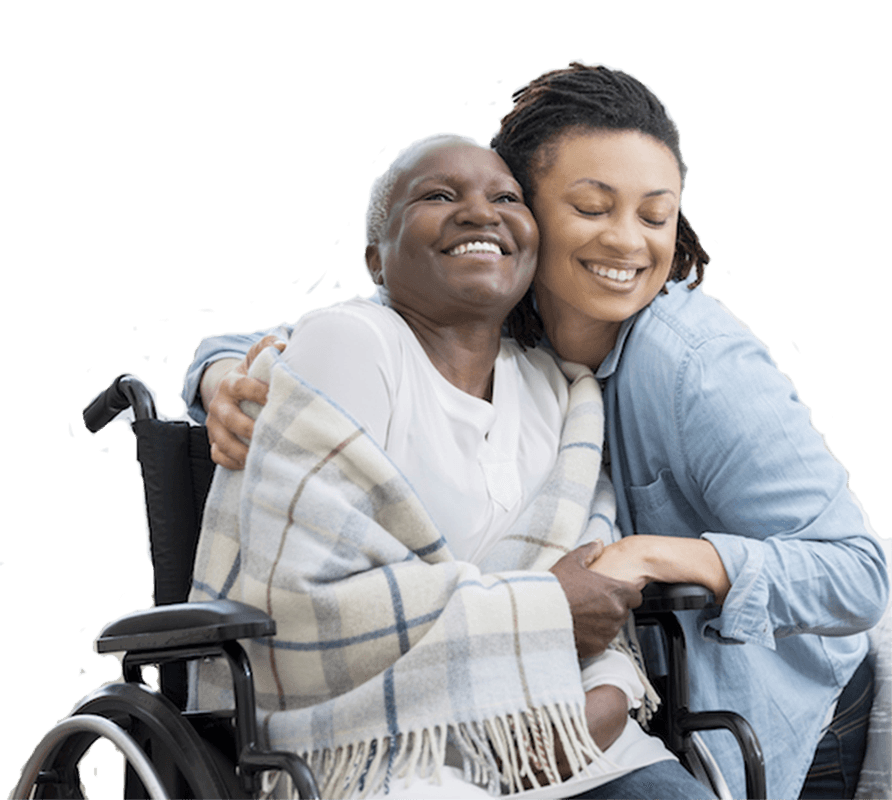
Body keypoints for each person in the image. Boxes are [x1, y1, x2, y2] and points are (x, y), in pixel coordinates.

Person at [182, 64, 889, 800]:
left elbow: (857, 573)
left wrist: (650, 554)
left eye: (655, 217)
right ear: (531, 212)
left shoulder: (694, 365)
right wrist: (222, 373)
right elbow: (332, 335)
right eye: (591, 207)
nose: (627, 241)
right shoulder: (500, 327)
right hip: (524, 692)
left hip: (772, 710)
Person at [188, 132, 712, 800]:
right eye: (439, 195)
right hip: (384, 743)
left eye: (507, 199)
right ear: (376, 258)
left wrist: (598, 707)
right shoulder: (352, 344)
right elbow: (304, 603)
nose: (480, 212)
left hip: (557, 724)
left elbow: (597, 600)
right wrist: (544, 607)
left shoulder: (561, 391)